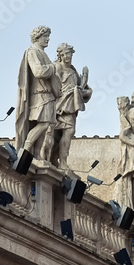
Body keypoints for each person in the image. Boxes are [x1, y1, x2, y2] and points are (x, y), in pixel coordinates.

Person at [14, 26, 60, 164]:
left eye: (48, 36)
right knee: (43, 123)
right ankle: (26, 150)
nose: (48, 39)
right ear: (38, 37)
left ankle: (36, 156)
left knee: (44, 125)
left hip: (47, 95)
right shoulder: (32, 52)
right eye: (45, 36)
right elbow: (38, 71)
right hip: (39, 95)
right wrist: (52, 67)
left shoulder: (42, 53)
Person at [51, 42, 92, 171]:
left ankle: (62, 161)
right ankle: (51, 158)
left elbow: (81, 86)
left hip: (71, 104)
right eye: (66, 54)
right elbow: (52, 86)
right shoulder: (56, 67)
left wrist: (85, 81)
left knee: (69, 131)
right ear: (61, 55)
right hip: (59, 104)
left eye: (70, 54)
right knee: (52, 133)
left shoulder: (73, 69)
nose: (68, 56)